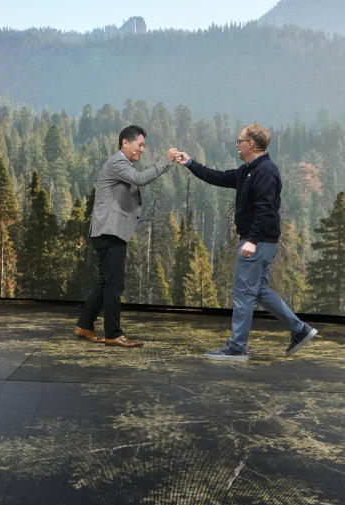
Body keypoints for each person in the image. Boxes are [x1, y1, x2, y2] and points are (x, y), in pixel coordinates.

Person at [175, 123, 317, 361]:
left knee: (243, 293)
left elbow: (267, 209)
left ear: (251, 144)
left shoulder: (265, 171)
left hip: (257, 242)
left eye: (239, 140)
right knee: (259, 290)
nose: (237, 144)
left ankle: (237, 347)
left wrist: (251, 240)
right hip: (262, 242)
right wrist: (189, 163)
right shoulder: (248, 170)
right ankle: (300, 329)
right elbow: (217, 177)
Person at [75, 125, 178, 347]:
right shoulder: (118, 162)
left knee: (105, 282)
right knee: (114, 285)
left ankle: (84, 325)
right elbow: (140, 179)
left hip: (107, 231)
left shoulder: (121, 163)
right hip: (110, 231)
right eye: (139, 145)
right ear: (125, 143)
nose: (142, 150)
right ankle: (113, 333)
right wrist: (167, 160)